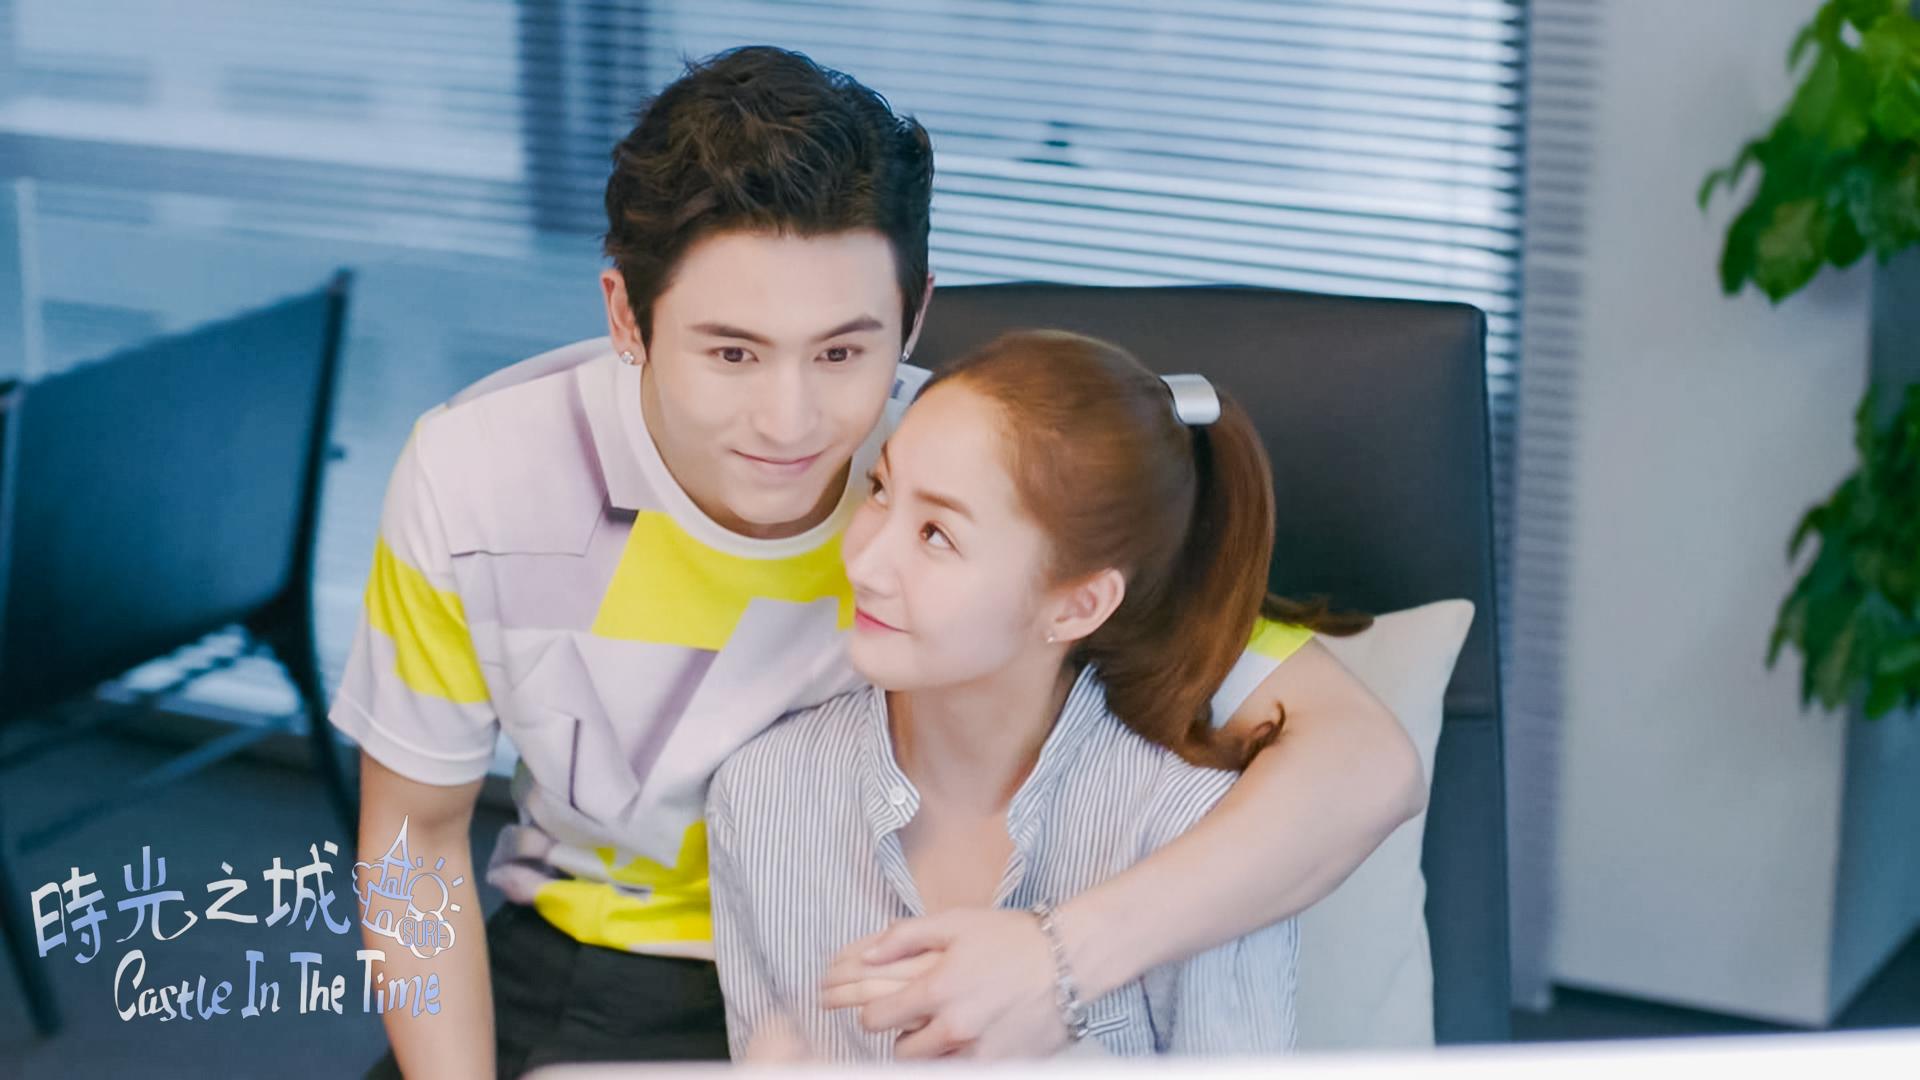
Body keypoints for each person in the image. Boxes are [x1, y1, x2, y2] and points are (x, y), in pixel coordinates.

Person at [332, 45, 1422, 1079]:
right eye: (731, 352)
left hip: (883, 964)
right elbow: (415, 838)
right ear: (627, 314)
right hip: (600, 967)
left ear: (916, 313)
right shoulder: (476, 478)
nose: (792, 421)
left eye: (844, 351)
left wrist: (1061, 953)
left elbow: (1364, 759)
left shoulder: (965, 472)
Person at [710, 330, 1372, 1060]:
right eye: (880, 491)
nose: (864, 564)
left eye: (936, 535)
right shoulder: (761, 797)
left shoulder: (1193, 827)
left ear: (1078, 606)